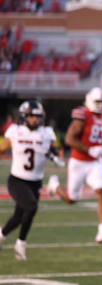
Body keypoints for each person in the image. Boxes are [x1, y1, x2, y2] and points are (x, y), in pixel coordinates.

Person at [47, 87, 102, 244]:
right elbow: (70, 139)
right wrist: (89, 149)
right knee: (72, 199)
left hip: (94, 163)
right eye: (98, 102)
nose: (101, 105)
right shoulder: (82, 115)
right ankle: (55, 186)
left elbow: (99, 139)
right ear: (90, 101)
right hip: (78, 162)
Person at [0, 101, 63, 260]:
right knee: (31, 207)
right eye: (32, 116)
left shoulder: (47, 133)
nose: (36, 119)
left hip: (35, 181)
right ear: (24, 116)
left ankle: (1, 235)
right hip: (17, 180)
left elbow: (54, 151)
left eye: (38, 116)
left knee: (19, 216)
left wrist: (55, 156)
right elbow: (2, 148)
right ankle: (21, 244)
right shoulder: (15, 131)